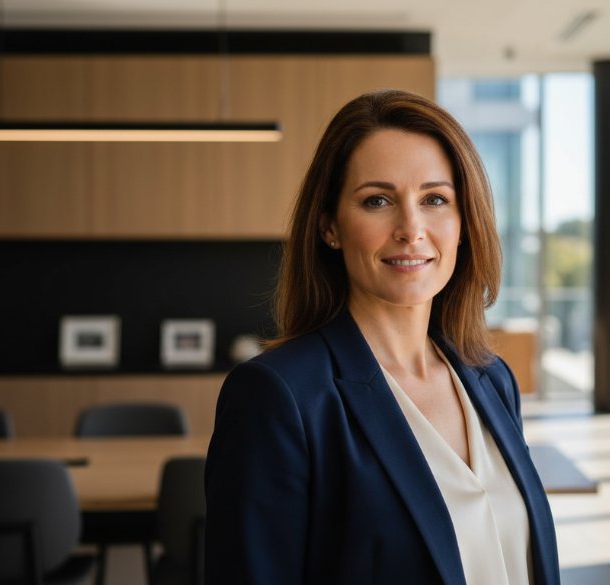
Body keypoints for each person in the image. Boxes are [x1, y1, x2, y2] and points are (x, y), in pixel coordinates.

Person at [204, 89, 560, 585]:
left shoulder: (491, 379)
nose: (411, 228)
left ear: (463, 223)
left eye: (435, 199)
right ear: (330, 226)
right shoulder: (279, 397)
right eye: (377, 201)